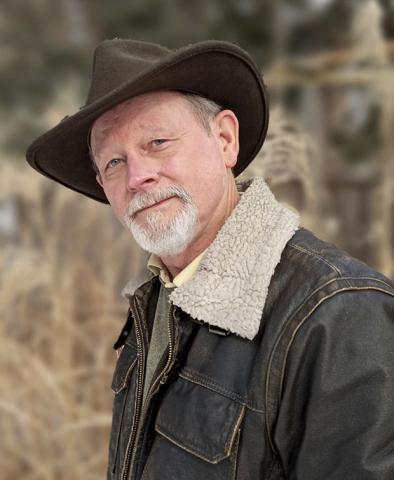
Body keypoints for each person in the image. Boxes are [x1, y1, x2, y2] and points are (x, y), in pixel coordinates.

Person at [26, 39, 394, 480]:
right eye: (114, 162)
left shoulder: (341, 313)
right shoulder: (159, 299)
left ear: (224, 140)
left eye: (158, 142)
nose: (138, 176)